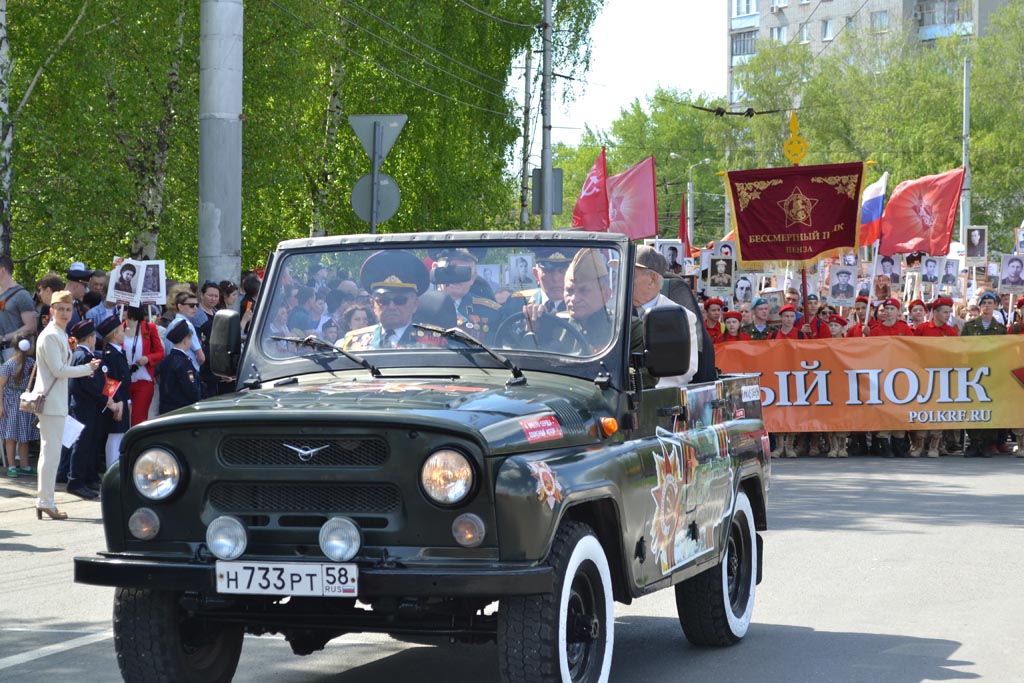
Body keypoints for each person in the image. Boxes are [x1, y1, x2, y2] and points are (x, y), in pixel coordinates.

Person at [33, 290, 101, 520]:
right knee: (50, 454)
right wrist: (87, 369)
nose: (64, 313)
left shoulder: (58, 334)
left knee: (49, 453)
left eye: (68, 309)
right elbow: (59, 370)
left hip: (56, 401)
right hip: (51, 402)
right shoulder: (51, 335)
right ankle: (45, 501)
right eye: (60, 309)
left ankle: (45, 500)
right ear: (51, 310)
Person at [630, 246, 698, 386]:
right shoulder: (614, 314)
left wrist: (644, 389)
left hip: (656, 400)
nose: (621, 279)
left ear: (652, 279)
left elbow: (684, 371)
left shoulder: (682, 317)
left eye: (630, 274)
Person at [342, 250, 429, 350]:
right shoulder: (353, 342)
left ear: (415, 304)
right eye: (384, 301)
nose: (391, 306)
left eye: (399, 300)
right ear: (372, 304)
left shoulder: (437, 344)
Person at [961, 292, 1006, 457]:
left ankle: (987, 442)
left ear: (995, 306)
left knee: (990, 406)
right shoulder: (969, 326)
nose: (987, 306)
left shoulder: (1001, 330)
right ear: (979, 306)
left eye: (990, 303)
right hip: (973, 372)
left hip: (992, 372)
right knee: (973, 406)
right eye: (984, 303)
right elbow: (961, 349)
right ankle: (974, 442)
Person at [66, 321, 106, 499]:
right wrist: (104, 398)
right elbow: (87, 385)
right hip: (84, 406)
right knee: (81, 445)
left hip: (85, 405)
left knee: (88, 444)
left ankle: (87, 478)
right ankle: (75, 481)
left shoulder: (80, 354)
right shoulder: (83, 356)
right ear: (90, 338)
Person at [432, 248, 499, 341]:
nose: (457, 277)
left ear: (473, 277)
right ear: (435, 269)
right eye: (451, 269)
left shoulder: (490, 312)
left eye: (464, 271)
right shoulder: (416, 307)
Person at [0, 336, 40, 478]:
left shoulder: (27, 363)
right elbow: (1, 386)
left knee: (20, 436)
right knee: (16, 436)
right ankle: (14, 466)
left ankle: (22, 465)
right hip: (16, 402)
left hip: (20, 401)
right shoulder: (13, 364)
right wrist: (0, 406)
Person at [97, 315, 131, 470]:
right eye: (122, 330)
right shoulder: (111, 355)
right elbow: (111, 381)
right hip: (117, 399)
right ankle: (112, 468)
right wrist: (117, 403)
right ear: (115, 334)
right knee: (115, 435)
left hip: (123, 397)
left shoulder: (118, 352)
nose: (125, 332)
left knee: (121, 434)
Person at [123, 305, 165, 427]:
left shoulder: (149, 328)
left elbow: (160, 353)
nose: (122, 312)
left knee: (138, 419)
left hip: (143, 379)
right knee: (122, 420)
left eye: (125, 309)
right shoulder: (119, 329)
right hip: (123, 379)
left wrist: (147, 358)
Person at [158, 323, 202, 414]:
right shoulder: (184, 362)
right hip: (181, 410)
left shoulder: (167, 360)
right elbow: (191, 390)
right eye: (190, 339)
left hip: (166, 409)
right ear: (185, 340)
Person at [0, 255, 38, 361]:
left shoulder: (21, 295)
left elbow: (31, 327)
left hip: (16, 351)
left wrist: (3, 338)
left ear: (2, 270)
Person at [165, 291, 206, 372]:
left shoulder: (171, 324)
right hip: (187, 371)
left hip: (172, 369)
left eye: (197, 305)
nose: (195, 308)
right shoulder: (187, 325)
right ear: (180, 306)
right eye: (191, 305)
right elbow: (201, 358)